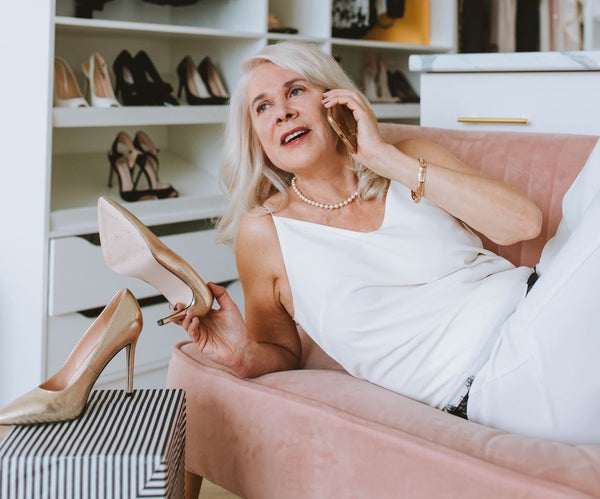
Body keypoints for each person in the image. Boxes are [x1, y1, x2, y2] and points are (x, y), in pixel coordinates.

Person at [173, 41, 600, 444]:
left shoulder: (408, 157)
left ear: (334, 99)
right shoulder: (265, 233)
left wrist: (381, 157)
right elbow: (283, 350)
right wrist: (241, 354)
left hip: (542, 300)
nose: (281, 113)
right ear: (257, 137)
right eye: (263, 107)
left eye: (296, 91)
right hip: (499, 379)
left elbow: (521, 224)